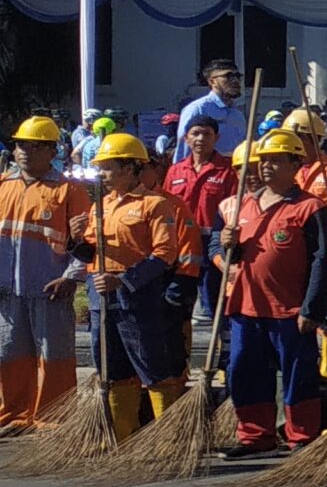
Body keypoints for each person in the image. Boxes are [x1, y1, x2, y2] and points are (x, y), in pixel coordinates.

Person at [213, 131, 327, 456]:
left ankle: (301, 436)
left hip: (290, 309)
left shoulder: (310, 208)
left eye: (277, 160)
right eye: (264, 160)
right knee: (243, 370)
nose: (267, 167)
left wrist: (312, 308)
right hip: (246, 306)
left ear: (295, 164)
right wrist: (230, 247)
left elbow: (323, 260)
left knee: (298, 373)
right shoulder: (244, 205)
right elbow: (234, 258)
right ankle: (255, 435)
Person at [68, 134, 192, 443]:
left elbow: (165, 254)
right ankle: (124, 439)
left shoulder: (155, 203)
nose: (103, 175)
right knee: (113, 370)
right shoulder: (103, 205)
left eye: (109, 168)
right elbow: (93, 252)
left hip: (138, 297)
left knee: (152, 366)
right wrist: (74, 242)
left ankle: (167, 441)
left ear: (130, 169)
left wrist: (124, 280)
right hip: (100, 296)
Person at [0, 116, 91, 430]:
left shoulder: (69, 190)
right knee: (10, 354)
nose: (25, 151)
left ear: (52, 151)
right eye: (21, 144)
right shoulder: (3, 185)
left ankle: (53, 419)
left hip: (50, 286)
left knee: (55, 356)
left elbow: (87, 241)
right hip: (8, 290)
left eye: (36, 146)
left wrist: (72, 277)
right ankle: (14, 413)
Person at [161, 118, 235, 326]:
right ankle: (181, 356)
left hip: (212, 244)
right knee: (177, 306)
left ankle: (224, 353)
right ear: (186, 138)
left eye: (207, 134)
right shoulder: (175, 170)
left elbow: (234, 207)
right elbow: (166, 206)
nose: (200, 138)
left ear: (216, 138)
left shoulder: (228, 170)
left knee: (216, 304)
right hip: (181, 246)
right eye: (195, 133)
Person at [176, 59, 250, 156]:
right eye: (228, 76)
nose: (235, 81)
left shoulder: (237, 115)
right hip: (206, 170)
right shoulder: (198, 109)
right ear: (212, 81)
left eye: (237, 76)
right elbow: (183, 149)